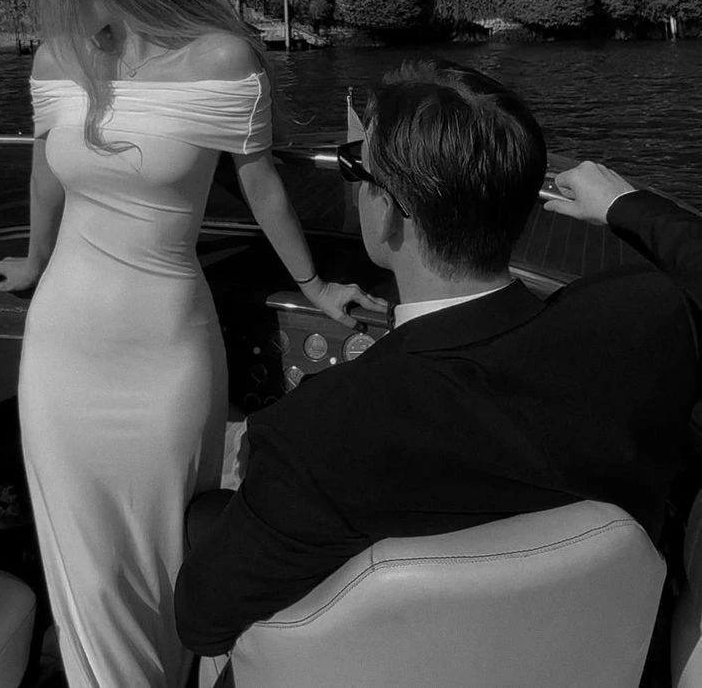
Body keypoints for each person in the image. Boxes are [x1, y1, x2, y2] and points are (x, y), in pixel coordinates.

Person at [0, 0, 385, 688]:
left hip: (167, 353)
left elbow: (262, 186)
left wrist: (314, 284)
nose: (60, 3)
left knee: (164, 556)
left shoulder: (222, 59)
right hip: (60, 352)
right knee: (85, 570)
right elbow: (46, 176)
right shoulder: (58, 61)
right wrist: (34, 260)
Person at [174, 60, 702, 679]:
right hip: (598, 659)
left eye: (356, 167)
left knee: (206, 516)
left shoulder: (317, 433)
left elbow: (201, 622)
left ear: (389, 213)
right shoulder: (652, 321)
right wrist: (625, 206)